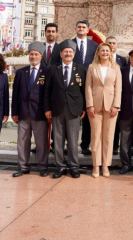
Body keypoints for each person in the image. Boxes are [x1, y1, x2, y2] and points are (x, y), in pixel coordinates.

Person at [45, 40, 86, 179]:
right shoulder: (53, 69)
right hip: (56, 109)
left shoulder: (80, 69)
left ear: (74, 54)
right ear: (61, 54)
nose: (68, 54)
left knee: (73, 140)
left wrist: (84, 108)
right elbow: (47, 91)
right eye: (65, 51)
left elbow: (84, 90)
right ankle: (60, 166)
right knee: (58, 139)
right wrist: (47, 108)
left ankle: (74, 165)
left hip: (74, 109)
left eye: (70, 52)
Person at [12, 42, 51, 177]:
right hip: (23, 113)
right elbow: (16, 93)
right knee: (22, 141)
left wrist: (48, 110)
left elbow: (49, 94)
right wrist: (14, 112)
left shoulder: (47, 72)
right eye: (31, 54)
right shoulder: (21, 72)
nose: (33, 56)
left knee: (41, 142)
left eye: (36, 54)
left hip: (40, 113)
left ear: (41, 56)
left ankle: (42, 166)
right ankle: (23, 167)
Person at [85, 43, 122, 178]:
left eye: (107, 50)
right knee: (95, 136)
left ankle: (106, 165)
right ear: (98, 53)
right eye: (103, 50)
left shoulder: (116, 68)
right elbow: (88, 87)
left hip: (111, 106)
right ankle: (96, 165)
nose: (105, 53)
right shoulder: (92, 67)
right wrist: (89, 105)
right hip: (95, 106)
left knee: (108, 137)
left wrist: (116, 106)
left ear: (111, 53)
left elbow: (118, 88)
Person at [74, 19, 98, 155]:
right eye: (79, 27)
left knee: (89, 116)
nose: (81, 29)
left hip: (90, 84)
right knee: (73, 116)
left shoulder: (95, 46)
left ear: (88, 30)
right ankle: (69, 144)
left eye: (84, 27)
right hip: (73, 85)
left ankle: (85, 145)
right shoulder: (69, 44)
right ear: (76, 29)